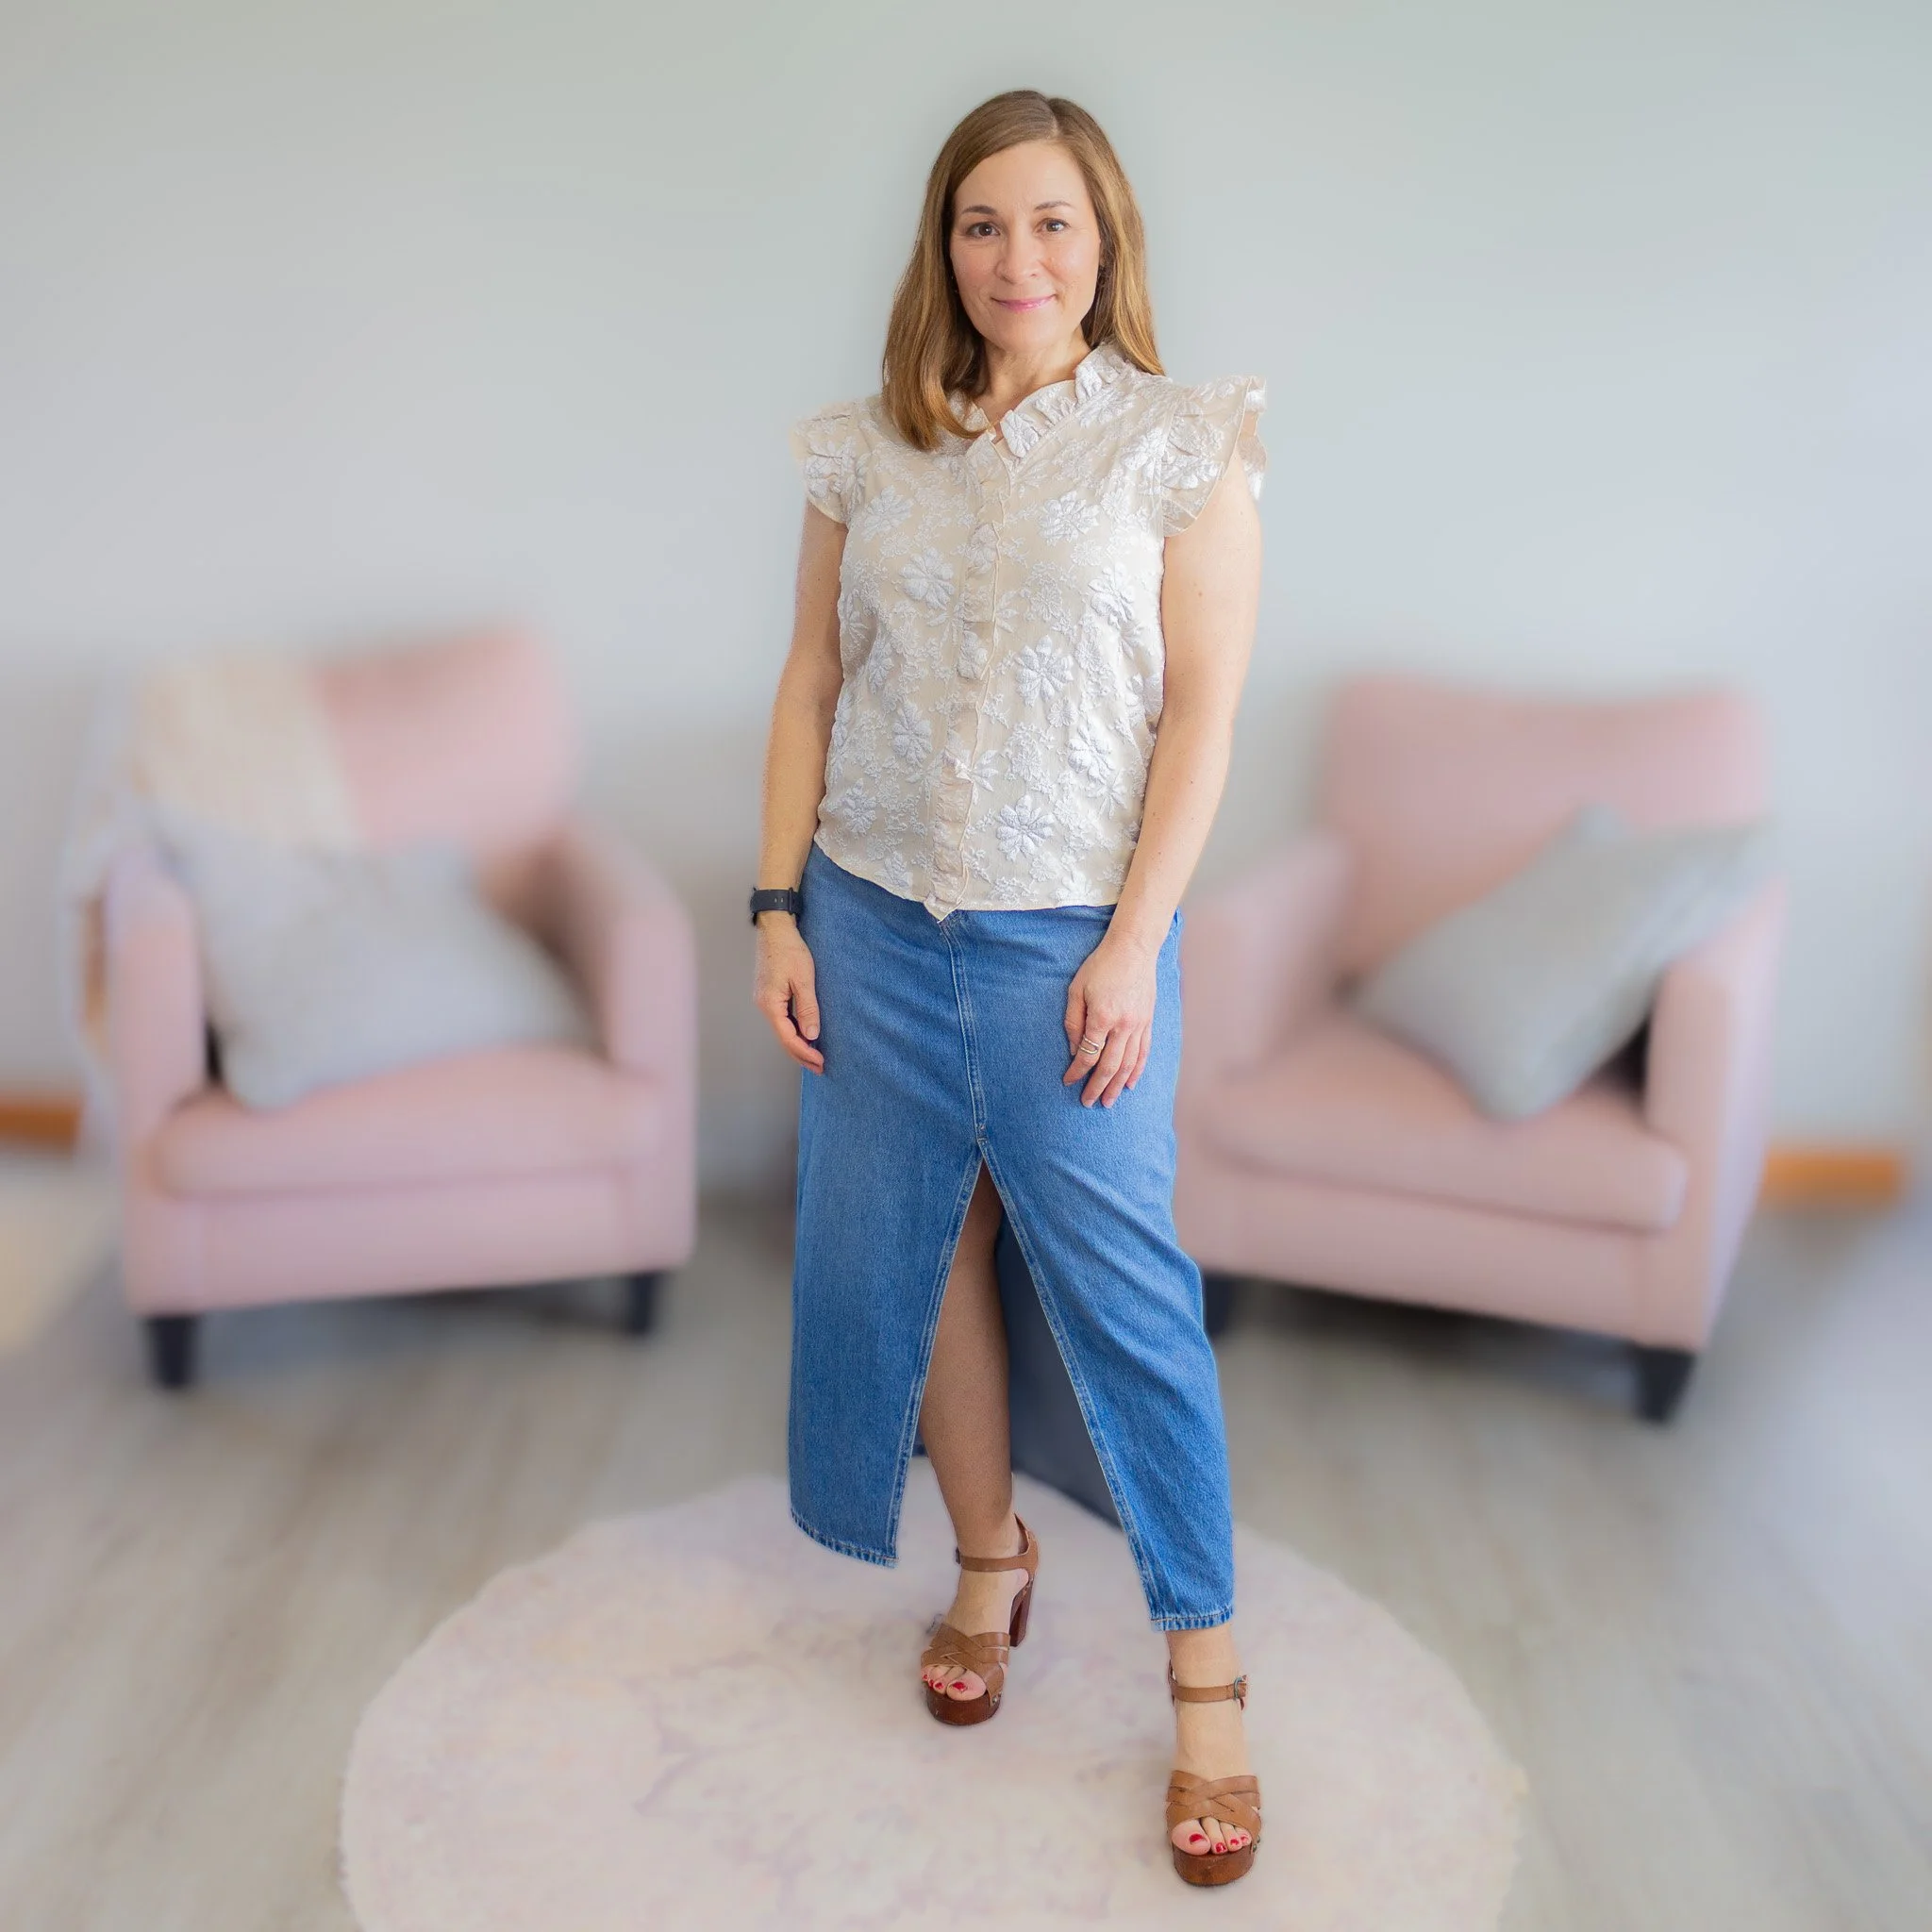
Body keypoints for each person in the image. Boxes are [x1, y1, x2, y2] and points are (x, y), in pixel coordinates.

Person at [752, 87, 1266, 1888]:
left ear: (1105, 237)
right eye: (983, 224)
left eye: (1052, 223)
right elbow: (813, 684)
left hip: (1072, 939)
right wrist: (774, 907)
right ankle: (989, 1564)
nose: (1016, 259)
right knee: (915, 1253)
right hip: (872, 919)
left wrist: (1134, 945)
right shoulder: (860, 450)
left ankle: (1207, 1687)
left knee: (1128, 1295)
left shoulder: (1185, 446)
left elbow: (1200, 715)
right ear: (941, 245)